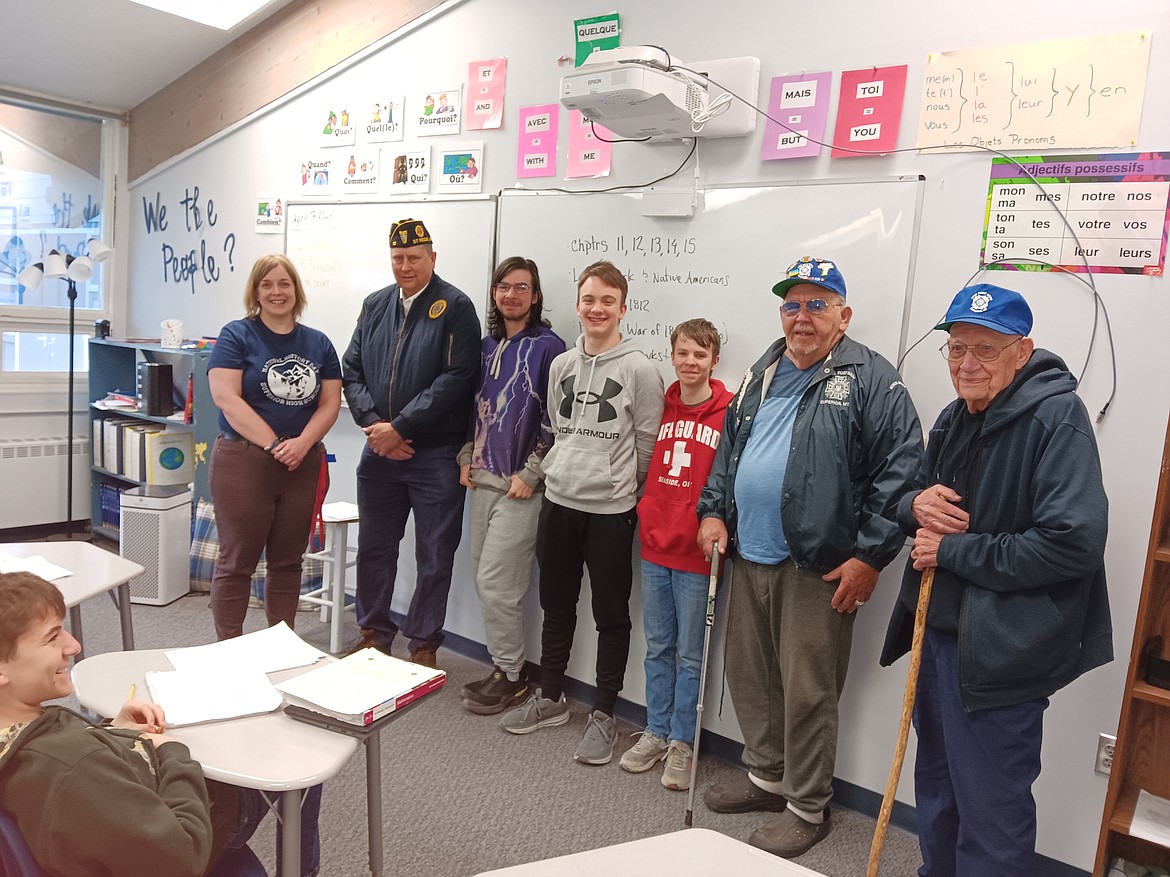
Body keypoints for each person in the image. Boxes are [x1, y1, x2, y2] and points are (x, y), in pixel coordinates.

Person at [879, 283, 1112, 876]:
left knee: (991, 812)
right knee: (936, 793)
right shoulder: (955, 416)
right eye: (956, 349)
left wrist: (954, 551)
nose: (966, 364)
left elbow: (1073, 545)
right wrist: (916, 506)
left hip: (1006, 651)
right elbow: (915, 498)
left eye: (984, 349)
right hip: (941, 638)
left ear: (1022, 350)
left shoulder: (1059, 418)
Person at [696, 256, 923, 858]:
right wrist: (714, 509)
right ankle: (767, 777)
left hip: (818, 565)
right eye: (793, 305)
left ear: (843, 316)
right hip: (749, 553)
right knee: (751, 675)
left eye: (817, 305)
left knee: (807, 689)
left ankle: (807, 805)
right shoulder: (762, 370)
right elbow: (730, 449)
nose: (803, 317)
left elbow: (900, 473)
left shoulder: (874, 379)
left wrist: (871, 557)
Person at [0, 571, 324, 877]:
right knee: (299, 751)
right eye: (52, 638)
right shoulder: (70, 767)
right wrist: (172, 753)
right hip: (188, 835)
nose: (73, 646)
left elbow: (85, 786)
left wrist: (115, 731)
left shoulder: (31, 742)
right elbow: (182, 856)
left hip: (121, 818)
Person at [499, 260, 664, 766]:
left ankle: (605, 713)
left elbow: (646, 445)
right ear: (577, 304)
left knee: (611, 615)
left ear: (623, 308)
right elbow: (556, 432)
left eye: (607, 301)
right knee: (557, 604)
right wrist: (562, 474)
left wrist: (621, 489)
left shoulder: (639, 370)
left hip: (611, 510)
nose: (597, 309)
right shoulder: (562, 366)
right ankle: (550, 697)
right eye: (589, 300)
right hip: (560, 501)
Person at [342, 218, 480, 668]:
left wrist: (401, 427)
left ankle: (422, 643)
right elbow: (352, 370)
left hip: (435, 454)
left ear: (432, 258)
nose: (405, 266)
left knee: (435, 554)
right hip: (379, 450)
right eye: (398, 258)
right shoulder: (375, 304)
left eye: (414, 258)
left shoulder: (456, 305)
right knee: (375, 547)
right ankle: (372, 633)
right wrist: (376, 428)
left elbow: (458, 378)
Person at [619, 318, 732, 791]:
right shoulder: (660, 409)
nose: (690, 362)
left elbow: (726, 479)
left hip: (697, 555)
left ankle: (683, 741)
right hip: (654, 546)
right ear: (672, 356)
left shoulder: (728, 414)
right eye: (683, 353)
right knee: (658, 647)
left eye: (700, 355)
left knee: (691, 654)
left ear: (714, 361)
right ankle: (656, 731)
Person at [208, 253, 341, 642]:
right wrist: (275, 444)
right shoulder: (236, 335)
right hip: (244, 462)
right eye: (267, 284)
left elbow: (330, 402)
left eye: (284, 284)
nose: (276, 292)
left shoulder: (318, 343)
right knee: (237, 563)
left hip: (303, 464)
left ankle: (281, 645)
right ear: (256, 291)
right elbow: (226, 399)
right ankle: (228, 647)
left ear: (296, 290)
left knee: (288, 562)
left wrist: (302, 444)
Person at [458, 257, 565, 715]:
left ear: (535, 296)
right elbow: (472, 405)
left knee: (499, 584)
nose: (511, 295)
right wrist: (466, 455)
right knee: (485, 581)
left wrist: (532, 472)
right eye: (503, 287)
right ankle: (505, 668)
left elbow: (560, 417)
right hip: (481, 480)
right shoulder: (484, 346)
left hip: (521, 485)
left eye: (521, 288)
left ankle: (516, 676)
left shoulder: (550, 347)